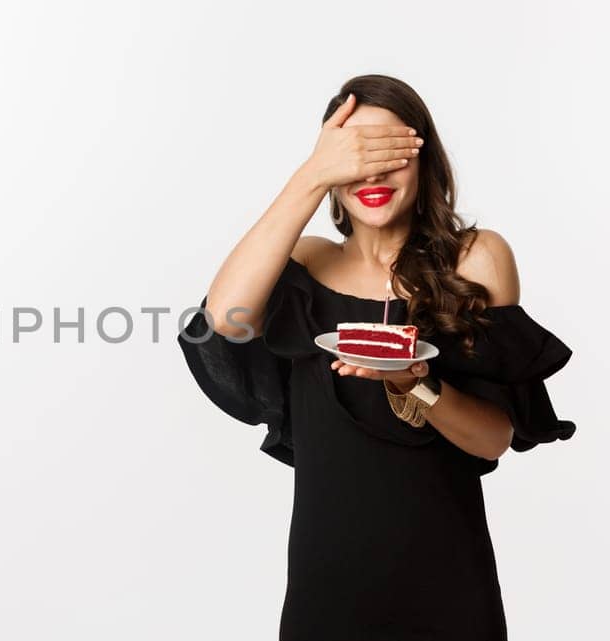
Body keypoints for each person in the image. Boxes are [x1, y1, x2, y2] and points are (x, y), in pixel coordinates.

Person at [177, 74, 577, 640]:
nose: (373, 174)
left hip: (446, 583)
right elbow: (223, 319)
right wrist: (311, 173)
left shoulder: (476, 259)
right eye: (354, 156)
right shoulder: (305, 262)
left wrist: (417, 383)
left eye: (391, 153)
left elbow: (493, 439)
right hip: (327, 584)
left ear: (425, 161)